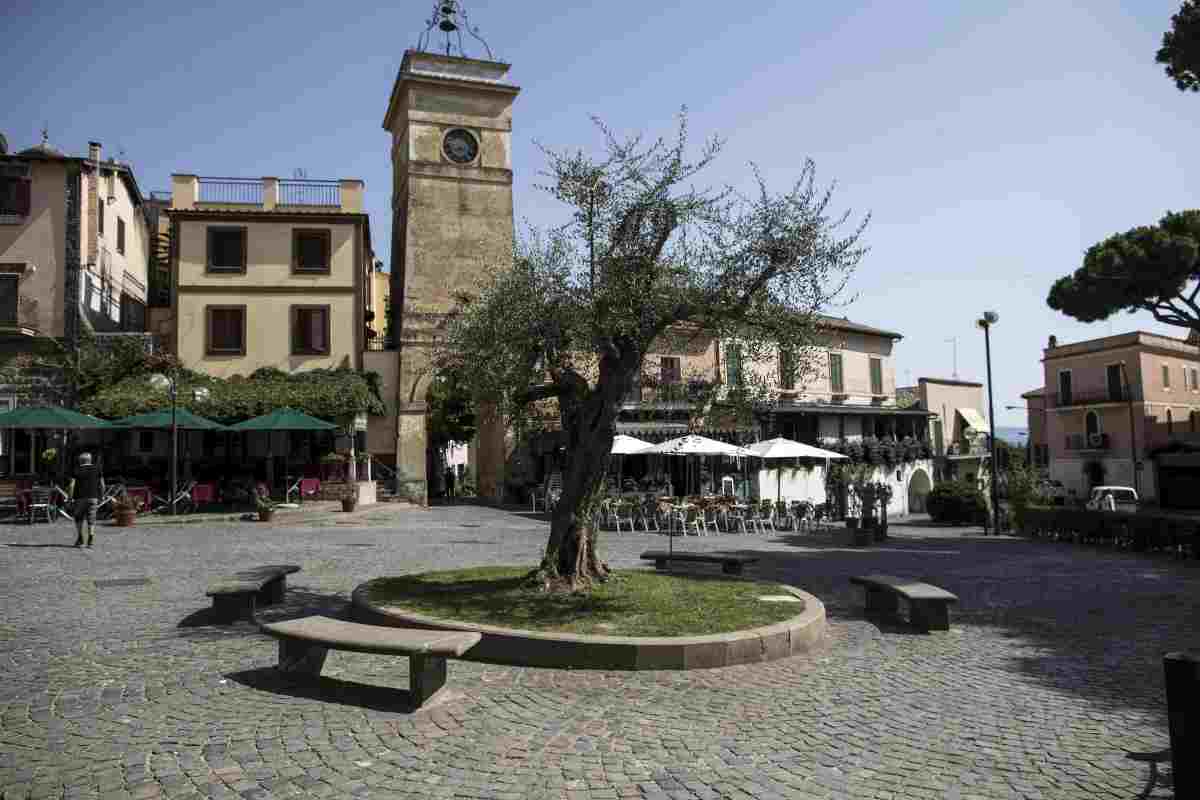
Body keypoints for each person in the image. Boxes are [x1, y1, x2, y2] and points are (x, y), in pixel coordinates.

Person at [68, 452, 105, 548]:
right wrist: (102, 496)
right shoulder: (97, 469)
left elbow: (71, 485)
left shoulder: (76, 469)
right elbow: (102, 484)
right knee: (91, 518)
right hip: (93, 497)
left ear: (80, 461)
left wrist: (69, 497)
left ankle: (80, 538)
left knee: (79, 518)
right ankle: (91, 540)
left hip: (79, 498)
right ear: (90, 460)